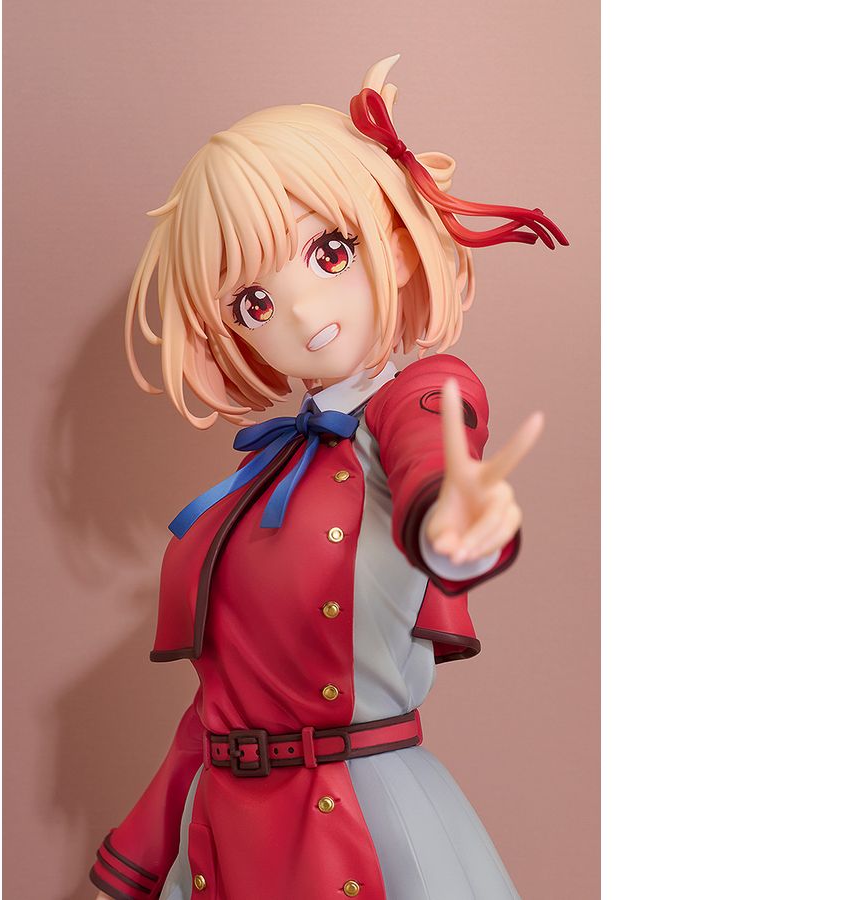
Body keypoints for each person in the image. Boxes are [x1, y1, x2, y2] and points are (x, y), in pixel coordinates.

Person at [90, 54, 567, 900]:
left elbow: (433, 462)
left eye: (328, 251)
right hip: (222, 836)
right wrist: (130, 864)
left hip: (359, 823)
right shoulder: (255, 483)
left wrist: (453, 522)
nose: (303, 313)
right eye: (255, 303)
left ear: (394, 243)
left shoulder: (416, 396)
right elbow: (214, 718)